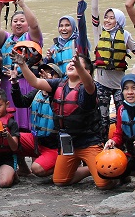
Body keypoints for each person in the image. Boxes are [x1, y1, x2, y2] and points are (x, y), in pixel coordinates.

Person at [17, 52, 115, 189]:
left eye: (76, 64)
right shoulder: (58, 84)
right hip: (68, 143)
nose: (71, 64)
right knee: (60, 180)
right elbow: (35, 82)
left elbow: (88, 83)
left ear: (86, 71)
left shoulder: (88, 89)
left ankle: (113, 172)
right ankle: (90, 170)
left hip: (89, 142)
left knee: (104, 184)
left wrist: (79, 68)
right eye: (70, 62)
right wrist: (22, 65)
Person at [91, 0, 135, 141]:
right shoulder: (99, 32)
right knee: (102, 120)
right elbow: (95, 10)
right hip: (101, 84)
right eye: (106, 17)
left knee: (122, 118)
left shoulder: (125, 35)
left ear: (118, 20)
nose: (107, 20)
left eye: (112, 18)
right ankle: (102, 147)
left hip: (120, 86)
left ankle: (124, 146)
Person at [0, 0, 43, 132]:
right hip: (7, 83)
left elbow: (35, 26)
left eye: (22, 20)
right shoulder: (6, 38)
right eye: (15, 21)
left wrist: (23, 5)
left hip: (27, 82)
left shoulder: (31, 37)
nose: (18, 23)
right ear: (11, 24)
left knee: (29, 121)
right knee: (10, 122)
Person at [11, 60, 61, 179]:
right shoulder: (36, 92)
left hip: (53, 145)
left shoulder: (60, 94)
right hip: (36, 140)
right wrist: (14, 83)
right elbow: (20, 102)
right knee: (10, 138)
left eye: (50, 74)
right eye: (43, 73)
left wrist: (50, 87)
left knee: (37, 169)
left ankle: (65, 165)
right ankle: (23, 168)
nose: (44, 75)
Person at [46, 0, 90, 75]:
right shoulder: (55, 46)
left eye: (67, 25)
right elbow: (49, 69)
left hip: (78, 82)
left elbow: (82, 25)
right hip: (61, 83)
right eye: (61, 26)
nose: (63, 29)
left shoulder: (79, 42)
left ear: (73, 27)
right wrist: (49, 58)